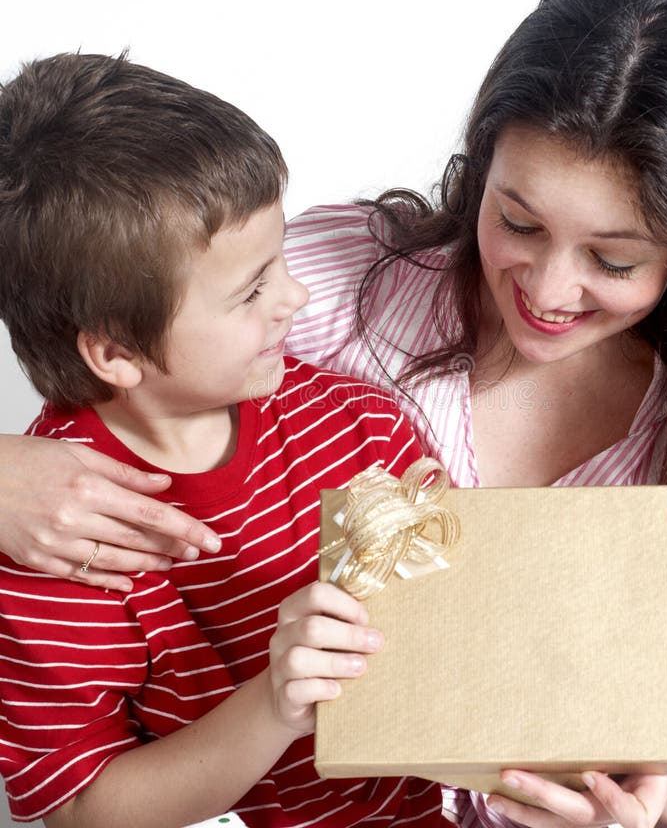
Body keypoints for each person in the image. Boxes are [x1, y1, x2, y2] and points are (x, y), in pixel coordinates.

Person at [0, 0, 667, 828]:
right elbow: (125, 293)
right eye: (519, 222)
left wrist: (659, 767)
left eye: (614, 259)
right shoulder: (333, 288)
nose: (550, 288)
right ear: (482, 164)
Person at [0, 52, 452, 828]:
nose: (296, 297)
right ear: (115, 352)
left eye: (280, 261)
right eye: (251, 290)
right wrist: (275, 704)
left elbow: (458, 646)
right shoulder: (54, 540)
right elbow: (83, 810)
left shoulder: (361, 424)